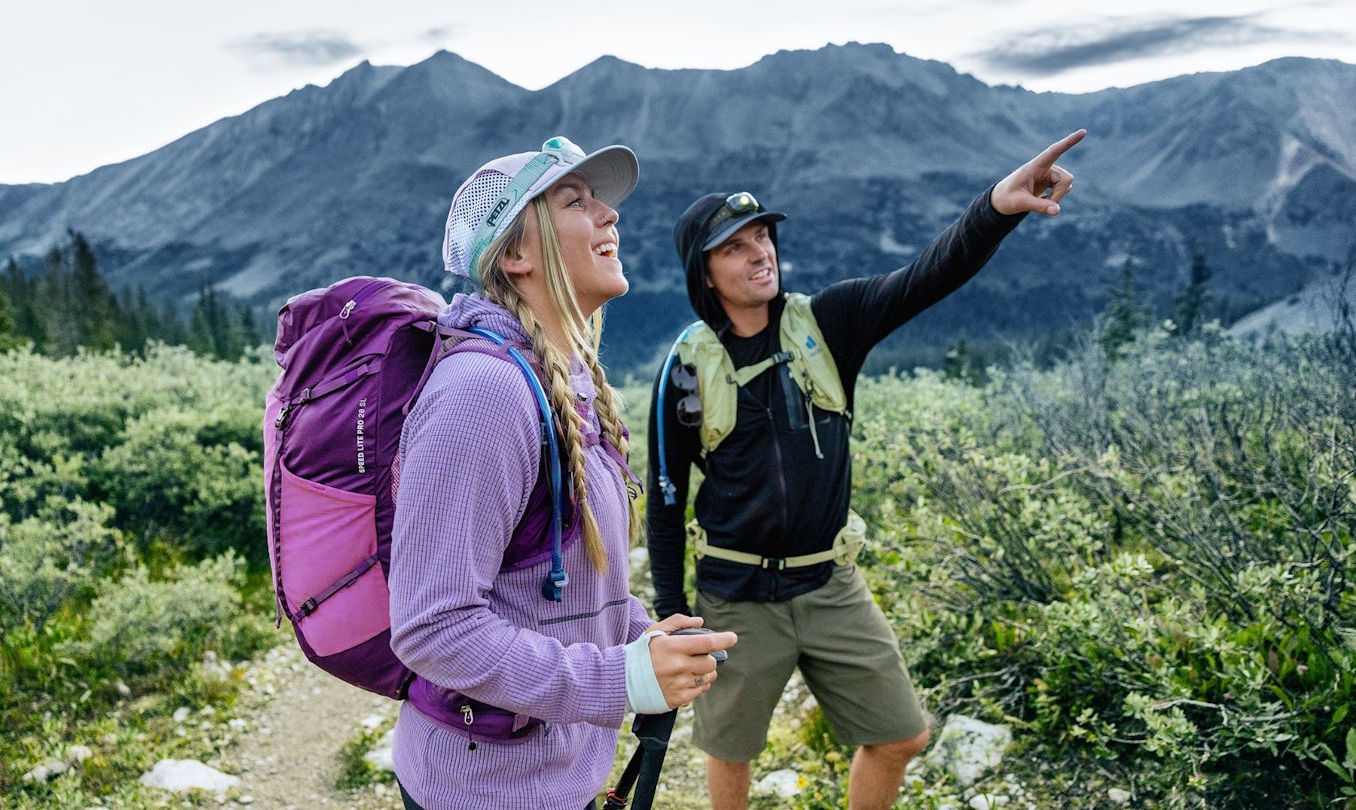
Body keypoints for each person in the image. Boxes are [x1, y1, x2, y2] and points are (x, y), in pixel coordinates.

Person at [646, 130, 1086, 810]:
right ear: (704, 274)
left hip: (831, 581)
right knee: (730, 750)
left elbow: (926, 276)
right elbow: (668, 498)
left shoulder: (830, 322)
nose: (759, 252)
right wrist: (672, 612)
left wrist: (996, 209)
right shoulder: (686, 367)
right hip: (736, 594)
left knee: (901, 735)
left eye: (762, 236)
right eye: (734, 246)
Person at [387, 136, 737, 810]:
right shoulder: (482, 394)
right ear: (516, 255)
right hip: (483, 792)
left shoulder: (568, 386)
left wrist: (637, 636)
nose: (610, 216)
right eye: (577, 202)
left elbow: (551, 590)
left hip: (553, 777)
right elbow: (433, 628)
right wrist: (620, 680)